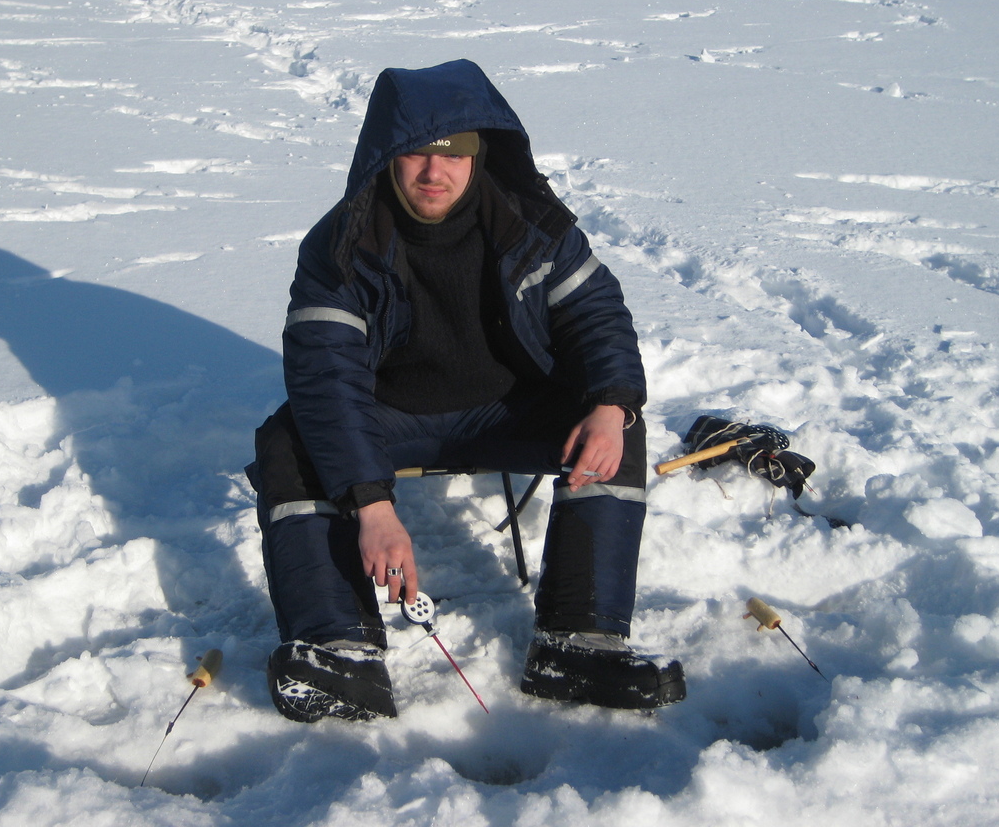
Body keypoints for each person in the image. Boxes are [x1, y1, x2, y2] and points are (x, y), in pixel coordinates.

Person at [247, 59, 685, 722]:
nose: (434, 171)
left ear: (481, 155)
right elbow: (326, 381)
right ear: (385, 155)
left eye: (452, 153)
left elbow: (598, 317)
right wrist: (371, 503)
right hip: (389, 417)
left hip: (510, 408)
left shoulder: (535, 224)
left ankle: (579, 644)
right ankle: (339, 650)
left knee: (613, 423)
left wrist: (610, 403)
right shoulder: (340, 246)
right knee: (291, 439)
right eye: (415, 152)